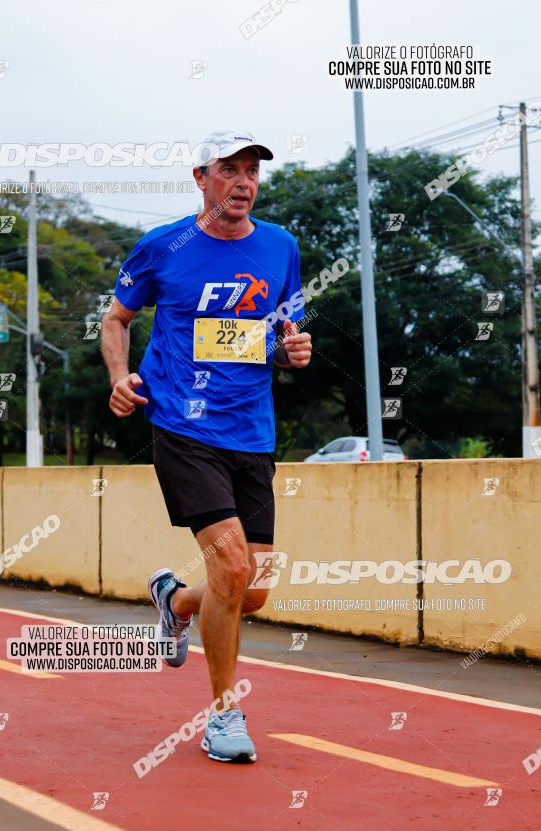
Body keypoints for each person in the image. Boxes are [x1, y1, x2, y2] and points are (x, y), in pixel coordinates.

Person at [101, 130, 312, 763]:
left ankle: (174, 598)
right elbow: (117, 318)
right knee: (232, 568)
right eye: (231, 170)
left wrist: (291, 349)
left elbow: (280, 330)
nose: (245, 182)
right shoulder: (164, 246)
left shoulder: (280, 248)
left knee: (253, 590)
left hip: (252, 430)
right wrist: (119, 378)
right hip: (183, 428)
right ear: (202, 177)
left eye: (253, 172)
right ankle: (223, 714)